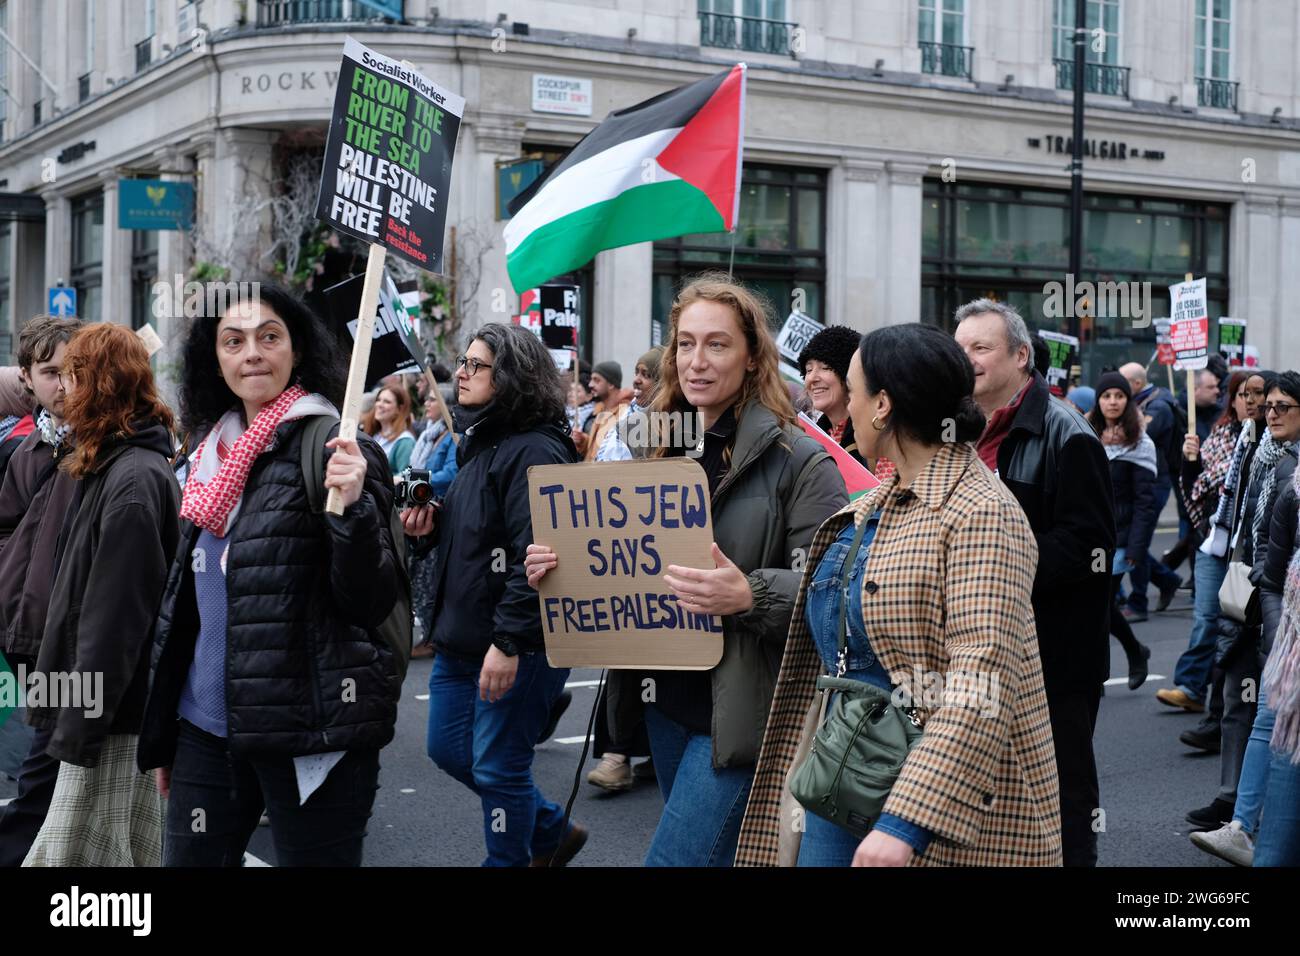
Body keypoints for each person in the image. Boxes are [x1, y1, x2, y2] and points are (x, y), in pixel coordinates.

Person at [527, 274, 847, 866]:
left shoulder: (800, 460)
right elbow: (625, 561)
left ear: (754, 358)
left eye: (717, 344)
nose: (697, 361)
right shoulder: (657, 449)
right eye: (685, 343)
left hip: (740, 717)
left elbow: (836, 594)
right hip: (665, 703)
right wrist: (562, 564)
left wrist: (749, 593)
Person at [735, 323, 1061, 867]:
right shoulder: (876, 501)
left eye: (854, 390)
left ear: (882, 405)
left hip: (933, 797)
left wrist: (905, 822)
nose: (846, 405)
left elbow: (979, 678)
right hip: (843, 771)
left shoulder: (982, 513)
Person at [137, 285, 402, 867]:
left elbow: (368, 599)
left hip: (311, 732)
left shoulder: (338, 450)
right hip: (204, 731)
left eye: (269, 337)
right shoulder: (205, 455)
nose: (252, 352)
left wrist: (354, 507)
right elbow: (184, 605)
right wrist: (166, 728)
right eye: (233, 341)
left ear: (297, 351)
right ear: (217, 360)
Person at [403, 322, 585, 867]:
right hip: (462, 640)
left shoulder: (535, 450)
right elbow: (479, 537)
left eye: (476, 365)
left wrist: (509, 641)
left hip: (513, 646)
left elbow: (542, 559)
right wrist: (429, 530)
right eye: (462, 362)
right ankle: (551, 830)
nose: (461, 373)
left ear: (510, 376)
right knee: (449, 751)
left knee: (499, 767)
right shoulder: (481, 441)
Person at [955, 299, 1114, 868]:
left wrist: (999, 561)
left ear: (1021, 357)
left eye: (981, 347)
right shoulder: (955, 428)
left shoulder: (1068, 433)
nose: (967, 359)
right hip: (980, 647)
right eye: (961, 347)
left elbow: (1090, 546)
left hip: (1055, 655)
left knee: (1063, 790)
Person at [21, 323, 180, 867]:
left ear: (102, 384)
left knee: (77, 863)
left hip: (110, 715)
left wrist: (78, 728)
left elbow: (114, 621)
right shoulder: (112, 463)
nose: (61, 390)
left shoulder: (131, 479)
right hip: (105, 707)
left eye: (72, 376)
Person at [1193, 374, 1300, 865]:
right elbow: (1268, 560)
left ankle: (1242, 819)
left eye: (1282, 405)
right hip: (1269, 609)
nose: (1270, 412)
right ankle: (1239, 818)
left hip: (1266, 605)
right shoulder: (1270, 459)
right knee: (1256, 709)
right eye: (1265, 403)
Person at [0, 316, 81, 866]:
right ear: (27, 378)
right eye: (50, 372)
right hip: (22, 631)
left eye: (76, 370)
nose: (65, 384)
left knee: (46, 765)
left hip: (74, 635)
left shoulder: (106, 446)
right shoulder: (27, 450)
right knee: (43, 758)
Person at [1164, 370, 1251, 746]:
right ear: (1232, 400)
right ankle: (1195, 691)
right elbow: (1195, 489)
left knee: (1232, 630)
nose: (1252, 401)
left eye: (1260, 394)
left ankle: (1220, 711)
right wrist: (1189, 461)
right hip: (1214, 542)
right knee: (1207, 619)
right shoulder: (1219, 436)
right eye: (1243, 394)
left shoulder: (1267, 442)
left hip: (1245, 549)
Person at [1086, 372, 1155, 690]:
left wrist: (1136, 550)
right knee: (1094, 605)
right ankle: (1131, 652)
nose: (1112, 402)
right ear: (1098, 401)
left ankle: (1118, 659)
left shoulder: (1141, 441)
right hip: (1086, 534)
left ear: (1128, 400)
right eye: (1106, 396)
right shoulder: (1084, 432)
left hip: (1120, 538)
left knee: (1099, 604)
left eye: (1119, 395)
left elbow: (1145, 504)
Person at [1119, 362, 1186, 621]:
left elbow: (1134, 435)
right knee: (1133, 540)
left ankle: (1138, 603)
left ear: (1136, 384)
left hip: (1154, 483)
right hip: (1139, 481)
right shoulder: (1140, 402)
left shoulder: (1158, 407)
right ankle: (1166, 580)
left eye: (1122, 384)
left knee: (1139, 540)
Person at [798, 324, 894, 482]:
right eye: (808, 370)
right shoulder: (808, 437)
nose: (812, 378)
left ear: (850, 377)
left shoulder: (878, 437)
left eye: (826, 368)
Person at [594, 347, 662, 465]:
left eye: (646, 375)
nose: (636, 380)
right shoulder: (628, 413)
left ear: (661, 383)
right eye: (636, 373)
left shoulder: (667, 423)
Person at [575, 361, 626, 460]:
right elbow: (596, 452)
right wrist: (583, 441)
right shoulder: (599, 410)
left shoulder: (625, 414)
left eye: (596, 380)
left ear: (611, 384)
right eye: (591, 380)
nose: (590, 385)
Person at [366, 383, 416, 473]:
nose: (379, 405)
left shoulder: (405, 441)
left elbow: (406, 475)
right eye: (378, 400)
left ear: (399, 409)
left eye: (387, 402)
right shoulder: (374, 434)